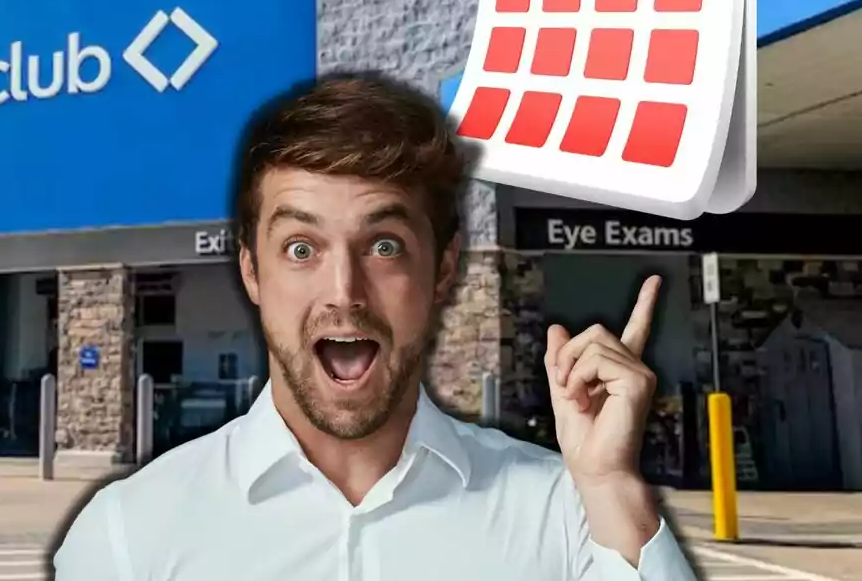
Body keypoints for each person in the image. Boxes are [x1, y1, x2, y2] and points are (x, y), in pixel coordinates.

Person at [54, 74, 698, 580]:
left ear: (443, 271)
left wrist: (612, 486)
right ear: (252, 272)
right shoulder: (130, 532)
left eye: (384, 246)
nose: (344, 292)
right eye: (301, 249)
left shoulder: (564, 511)